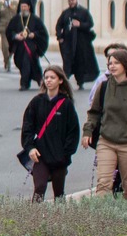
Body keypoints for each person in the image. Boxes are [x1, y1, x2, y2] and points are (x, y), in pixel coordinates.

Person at [82, 48, 127, 197]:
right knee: (103, 184)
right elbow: (94, 112)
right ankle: (102, 219)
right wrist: (88, 131)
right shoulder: (104, 86)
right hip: (106, 141)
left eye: (116, 63)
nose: (112, 66)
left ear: (126, 66)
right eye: (110, 63)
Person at [19, 66, 81, 202]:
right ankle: (33, 220)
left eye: (52, 78)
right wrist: (30, 148)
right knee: (39, 187)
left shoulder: (66, 104)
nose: (48, 80)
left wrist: (66, 153)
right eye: (46, 77)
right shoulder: (37, 102)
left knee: (59, 193)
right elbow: (27, 127)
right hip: (41, 155)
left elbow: (73, 131)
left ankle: (59, 220)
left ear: (60, 80)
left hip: (60, 157)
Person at [56, 0, 99, 90]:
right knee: (67, 63)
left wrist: (80, 24)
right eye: (69, 0)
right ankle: (64, 84)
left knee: (79, 63)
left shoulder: (83, 12)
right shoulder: (65, 13)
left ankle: (80, 82)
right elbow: (59, 25)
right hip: (68, 43)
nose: (71, 2)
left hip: (80, 43)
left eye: (73, 0)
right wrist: (60, 37)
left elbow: (90, 24)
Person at [6, 0, 48, 90]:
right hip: (19, 47)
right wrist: (16, 36)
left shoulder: (35, 19)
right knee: (25, 63)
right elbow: (9, 32)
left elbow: (42, 32)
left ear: (29, 7)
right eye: (22, 6)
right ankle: (37, 79)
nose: (23, 8)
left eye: (25, 6)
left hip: (31, 46)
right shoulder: (16, 19)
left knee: (27, 62)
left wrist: (34, 35)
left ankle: (24, 83)